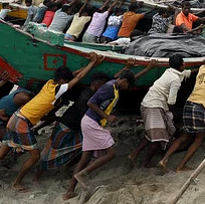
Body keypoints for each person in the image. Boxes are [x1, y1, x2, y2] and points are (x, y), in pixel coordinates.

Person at [0, 53, 102, 192]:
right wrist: (92, 63)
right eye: (66, 81)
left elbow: (73, 76)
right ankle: (17, 183)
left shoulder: (50, 83)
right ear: (63, 81)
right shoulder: (58, 90)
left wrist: (90, 65)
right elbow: (78, 78)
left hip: (15, 117)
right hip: (22, 122)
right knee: (35, 156)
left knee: (1, 153)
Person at [65, 59, 155, 199]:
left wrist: (146, 70)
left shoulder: (115, 85)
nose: (127, 88)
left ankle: (70, 190)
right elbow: (91, 103)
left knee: (85, 157)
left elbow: (129, 78)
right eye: (127, 85)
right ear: (123, 80)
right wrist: (107, 117)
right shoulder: (108, 87)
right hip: (92, 123)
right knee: (111, 153)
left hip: (89, 122)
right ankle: (84, 173)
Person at [36, 73, 109, 178]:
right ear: (98, 84)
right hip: (66, 124)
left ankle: (68, 167)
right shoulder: (85, 96)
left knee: (85, 148)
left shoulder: (92, 94)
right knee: (51, 151)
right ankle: (38, 175)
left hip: (77, 126)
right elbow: (84, 115)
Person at [128, 55, 191, 168]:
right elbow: (171, 101)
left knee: (152, 134)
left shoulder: (169, 72)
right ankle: (146, 162)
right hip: (154, 106)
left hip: (148, 103)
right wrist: (169, 115)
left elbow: (185, 73)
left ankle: (134, 154)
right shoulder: (175, 80)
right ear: (181, 65)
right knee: (159, 137)